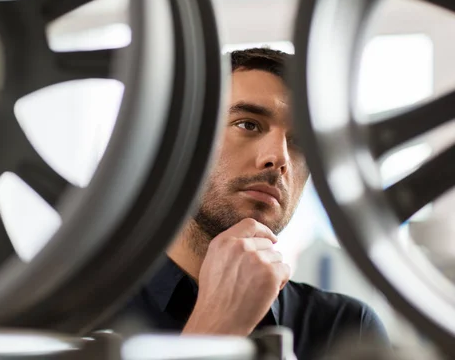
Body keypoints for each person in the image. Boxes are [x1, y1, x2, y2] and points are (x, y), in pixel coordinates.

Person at [98, 48, 390, 360]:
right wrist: (214, 333)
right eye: (248, 124)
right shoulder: (78, 313)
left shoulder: (345, 329)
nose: (278, 158)